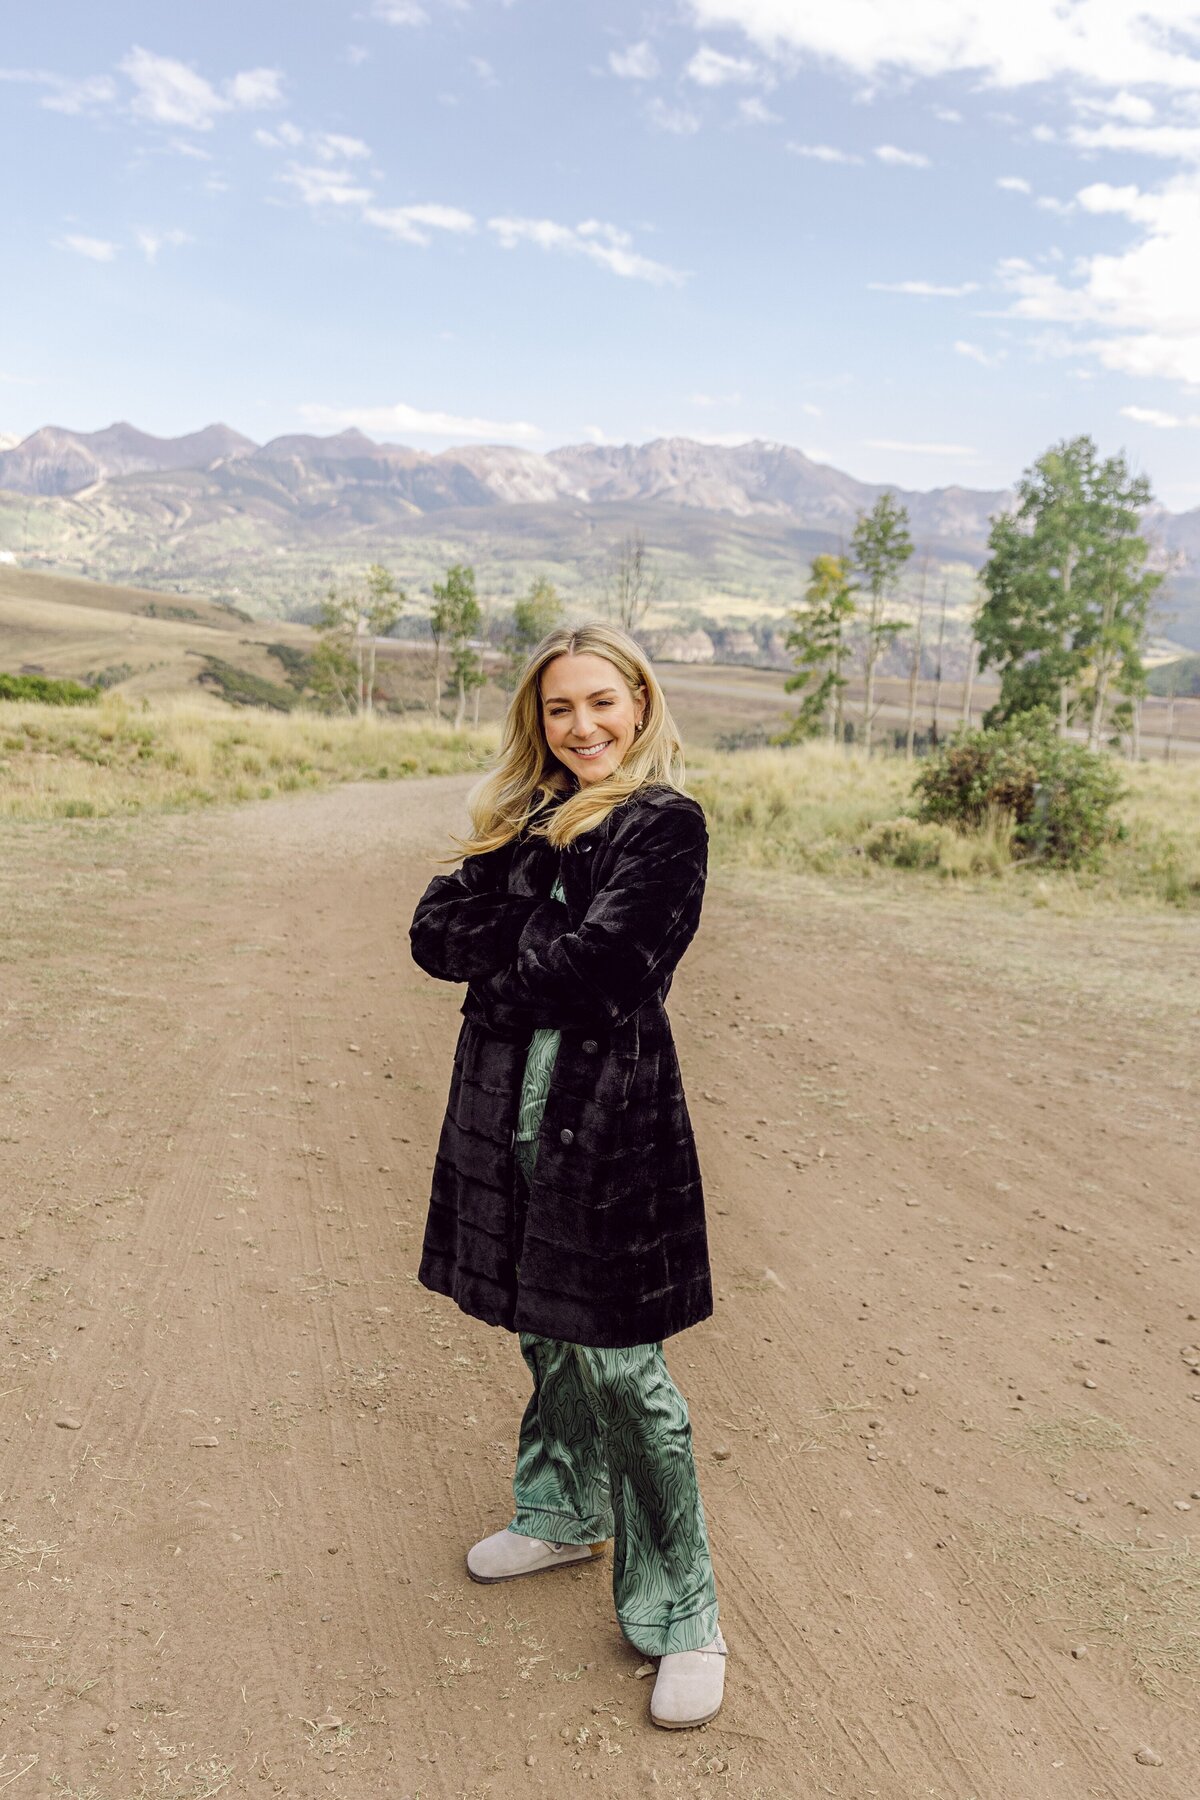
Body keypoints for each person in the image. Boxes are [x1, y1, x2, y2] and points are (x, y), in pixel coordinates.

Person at [408, 620, 727, 1730]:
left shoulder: (665, 824)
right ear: (536, 721)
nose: (582, 724)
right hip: (507, 1121)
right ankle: (558, 1511)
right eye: (559, 708)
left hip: (610, 1130)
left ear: (639, 702)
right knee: (547, 1331)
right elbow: (431, 933)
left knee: (625, 1371)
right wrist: (524, 929)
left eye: (602, 701)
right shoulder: (526, 819)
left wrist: (507, 955)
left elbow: (609, 971)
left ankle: (685, 1610)